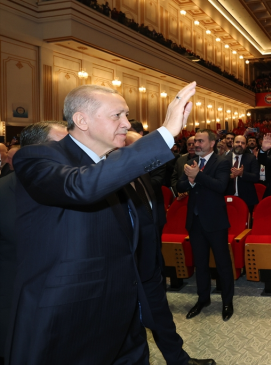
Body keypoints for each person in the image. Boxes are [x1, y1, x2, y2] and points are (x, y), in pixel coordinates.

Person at [6, 82, 196, 365]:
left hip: (124, 318)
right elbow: (81, 186)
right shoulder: (39, 157)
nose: (126, 123)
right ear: (81, 120)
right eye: (117, 115)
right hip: (74, 321)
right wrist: (165, 133)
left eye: (126, 115)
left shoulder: (110, 164)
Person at [124, 132, 214, 365]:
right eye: (140, 146)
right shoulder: (113, 180)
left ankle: (179, 360)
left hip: (151, 260)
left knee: (162, 317)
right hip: (129, 266)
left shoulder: (143, 172)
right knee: (131, 327)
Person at [0, 121, 67, 364]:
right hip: (15, 315)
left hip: (66, 314)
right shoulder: (3, 192)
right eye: (62, 145)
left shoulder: (76, 189)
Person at [177, 129, 234, 321]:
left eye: (201, 141)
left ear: (212, 143)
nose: (196, 145)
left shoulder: (222, 162)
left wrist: (197, 176)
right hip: (195, 222)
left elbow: (220, 186)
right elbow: (180, 185)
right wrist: (191, 180)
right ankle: (203, 299)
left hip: (215, 222)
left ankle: (227, 301)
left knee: (222, 264)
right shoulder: (192, 162)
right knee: (200, 264)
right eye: (194, 142)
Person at [225, 135, 260, 212]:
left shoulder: (251, 158)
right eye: (237, 142)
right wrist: (229, 176)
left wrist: (242, 174)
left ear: (246, 145)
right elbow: (219, 177)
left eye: (242, 143)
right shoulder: (224, 159)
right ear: (232, 143)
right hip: (227, 197)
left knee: (246, 222)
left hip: (247, 198)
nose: (240, 144)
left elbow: (256, 177)